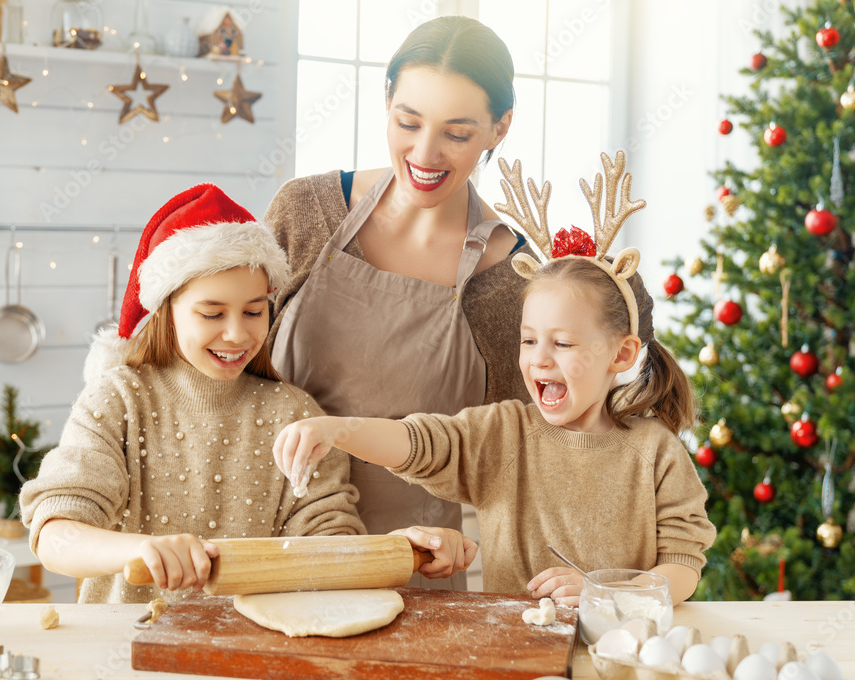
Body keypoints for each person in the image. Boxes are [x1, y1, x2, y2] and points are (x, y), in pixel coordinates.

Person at [273, 153, 717, 605]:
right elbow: (420, 443)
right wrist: (335, 431)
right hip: (517, 651)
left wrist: (606, 594)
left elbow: (682, 564)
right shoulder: (506, 433)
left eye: (562, 344)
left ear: (621, 354)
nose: (539, 360)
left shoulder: (655, 452)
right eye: (528, 341)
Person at [19, 184, 475, 604]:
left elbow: (328, 549)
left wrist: (403, 549)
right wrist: (146, 549)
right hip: (127, 650)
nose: (237, 334)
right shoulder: (118, 400)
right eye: (212, 314)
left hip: (254, 651)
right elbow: (56, 533)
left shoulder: (293, 413)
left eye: (254, 311)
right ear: (167, 312)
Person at [265, 15, 531, 590]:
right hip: (265, 550)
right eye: (408, 122)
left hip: (412, 574)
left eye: (457, 134)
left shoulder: (513, 277)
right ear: (386, 100)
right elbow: (225, 366)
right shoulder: (305, 211)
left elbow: (511, 456)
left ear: (500, 128)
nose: (425, 153)